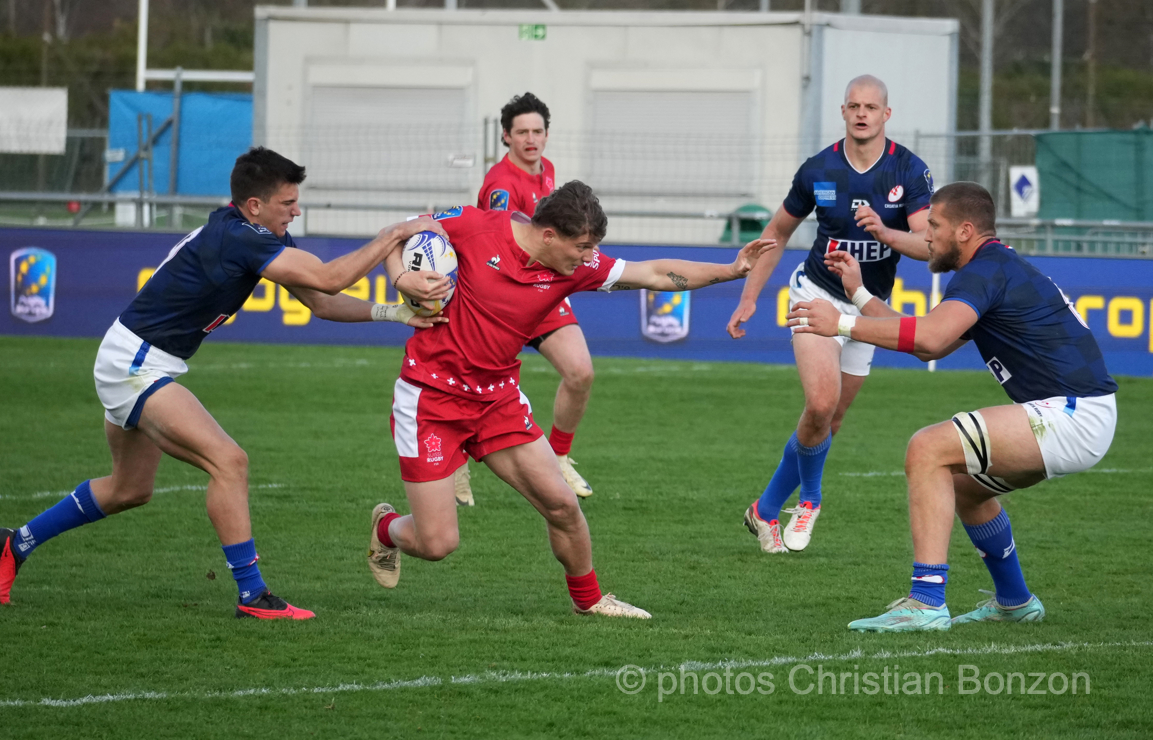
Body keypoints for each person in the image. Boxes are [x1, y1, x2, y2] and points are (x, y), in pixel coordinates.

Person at [0, 147, 449, 620]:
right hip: (136, 363)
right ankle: (252, 595)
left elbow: (323, 304)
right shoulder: (240, 238)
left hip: (133, 356)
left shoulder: (255, 234)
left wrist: (392, 313)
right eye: (287, 203)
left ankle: (14, 544)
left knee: (129, 489)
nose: (297, 210)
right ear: (254, 206)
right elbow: (330, 279)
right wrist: (395, 233)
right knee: (229, 462)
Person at [369, 181, 775, 619]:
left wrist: (732, 270)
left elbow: (653, 273)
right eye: (581, 247)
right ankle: (386, 529)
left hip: (496, 400)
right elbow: (399, 232)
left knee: (561, 504)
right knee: (437, 544)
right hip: (431, 400)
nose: (588, 257)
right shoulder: (473, 224)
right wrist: (401, 276)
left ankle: (591, 600)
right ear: (548, 236)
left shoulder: (577, 266)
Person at [787, 182, 1118, 632]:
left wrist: (841, 321)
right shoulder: (994, 267)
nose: (926, 236)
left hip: (1072, 415)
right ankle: (1015, 600)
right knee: (964, 488)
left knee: (927, 449)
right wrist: (860, 295)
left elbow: (929, 337)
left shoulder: (984, 272)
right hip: (1080, 415)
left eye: (934, 226)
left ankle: (926, 601)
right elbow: (930, 347)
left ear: (964, 231)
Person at [726, 75, 935, 554]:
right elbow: (775, 233)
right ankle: (812, 500)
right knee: (820, 404)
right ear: (843, 112)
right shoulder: (819, 169)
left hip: (865, 303)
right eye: (854, 106)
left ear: (887, 115)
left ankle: (763, 510)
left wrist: (885, 233)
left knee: (830, 420)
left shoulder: (909, 170)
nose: (862, 114)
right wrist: (749, 296)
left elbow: (928, 244)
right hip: (816, 294)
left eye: (871, 107)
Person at [451, 92, 595, 507]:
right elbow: (500, 231)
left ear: (547, 134)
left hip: (543, 289)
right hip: (505, 290)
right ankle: (456, 454)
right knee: (475, 374)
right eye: (522, 132)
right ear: (506, 137)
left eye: (537, 131)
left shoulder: (547, 170)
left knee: (581, 373)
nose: (531, 139)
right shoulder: (500, 184)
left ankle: (561, 456)